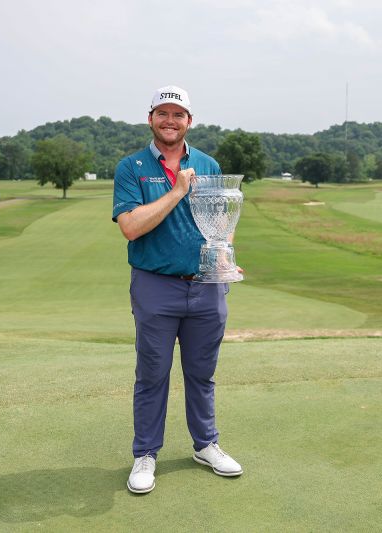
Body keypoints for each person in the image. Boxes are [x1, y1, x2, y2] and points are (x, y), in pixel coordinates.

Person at [112, 85, 243, 494]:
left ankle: (206, 444)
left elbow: (217, 224)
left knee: (202, 374)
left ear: (190, 121)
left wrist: (223, 257)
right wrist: (176, 191)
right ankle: (146, 454)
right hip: (155, 286)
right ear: (150, 117)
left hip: (206, 287)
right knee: (152, 374)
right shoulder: (132, 167)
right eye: (162, 113)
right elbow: (131, 227)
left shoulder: (208, 163)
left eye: (178, 114)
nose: (170, 121)